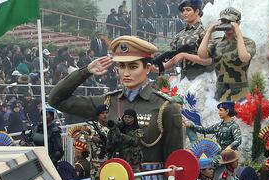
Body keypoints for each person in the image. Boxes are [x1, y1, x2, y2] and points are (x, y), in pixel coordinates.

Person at [48, 35, 184, 167]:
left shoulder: (165, 107)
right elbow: (57, 100)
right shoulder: (108, 102)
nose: (125, 73)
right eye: (121, 66)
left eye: (133, 67)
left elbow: (175, 164)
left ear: (147, 68)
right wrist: (86, 71)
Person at [198, 7, 256, 102]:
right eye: (224, 21)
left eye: (230, 21)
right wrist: (209, 32)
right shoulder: (216, 42)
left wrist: (237, 31)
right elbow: (202, 54)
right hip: (220, 93)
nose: (227, 24)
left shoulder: (248, 42)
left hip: (240, 93)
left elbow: (244, 58)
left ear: (238, 22)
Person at [163, 0, 209, 80]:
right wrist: (159, 68)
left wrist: (185, 55)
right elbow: (174, 59)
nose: (184, 13)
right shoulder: (180, 34)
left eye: (188, 10)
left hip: (200, 79)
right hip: (183, 79)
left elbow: (208, 60)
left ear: (197, 11)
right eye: (183, 10)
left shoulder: (204, 33)